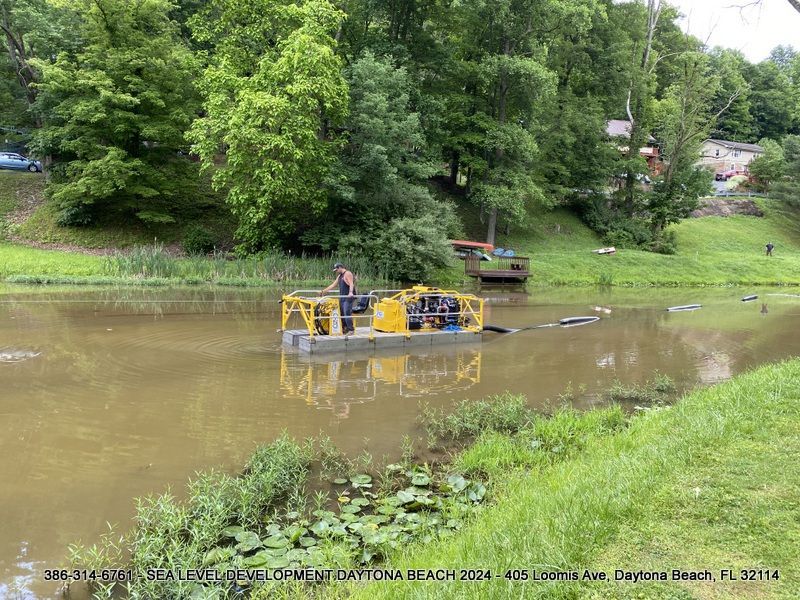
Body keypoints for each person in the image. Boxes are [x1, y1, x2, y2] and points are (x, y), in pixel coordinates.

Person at [320, 263, 356, 334]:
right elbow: (333, 285)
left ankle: (351, 329)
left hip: (348, 297)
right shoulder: (340, 276)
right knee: (341, 313)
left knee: (346, 312)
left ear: (340, 267)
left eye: (336, 270)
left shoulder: (347, 273)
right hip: (342, 297)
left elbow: (351, 283)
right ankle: (345, 328)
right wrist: (323, 291)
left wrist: (351, 292)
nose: (336, 271)